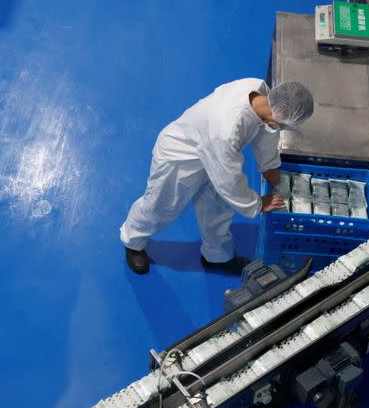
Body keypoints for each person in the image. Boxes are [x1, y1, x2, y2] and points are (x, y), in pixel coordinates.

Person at [120, 79, 314, 275]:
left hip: (214, 154)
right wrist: (258, 203)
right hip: (181, 158)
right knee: (161, 206)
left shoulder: (259, 89)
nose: (283, 129)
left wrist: (269, 167)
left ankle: (217, 257)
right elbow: (228, 180)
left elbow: (267, 132)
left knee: (218, 209)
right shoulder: (226, 130)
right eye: (284, 126)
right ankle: (132, 240)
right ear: (276, 116)